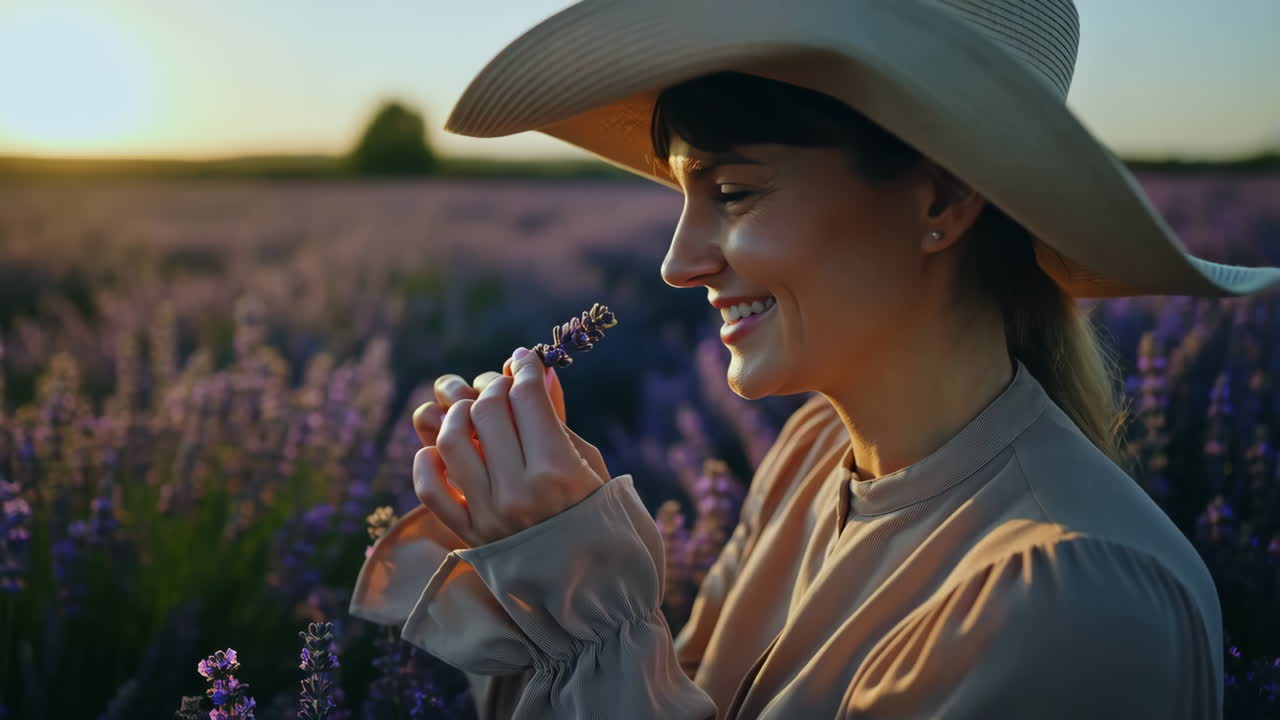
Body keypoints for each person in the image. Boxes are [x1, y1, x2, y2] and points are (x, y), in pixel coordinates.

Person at [350, 0, 1280, 717]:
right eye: (684, 196)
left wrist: (589, 603)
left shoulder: (1073, 603)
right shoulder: (806, 461)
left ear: (943, 202)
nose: (678, 261)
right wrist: (533, 552)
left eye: (737, 192)